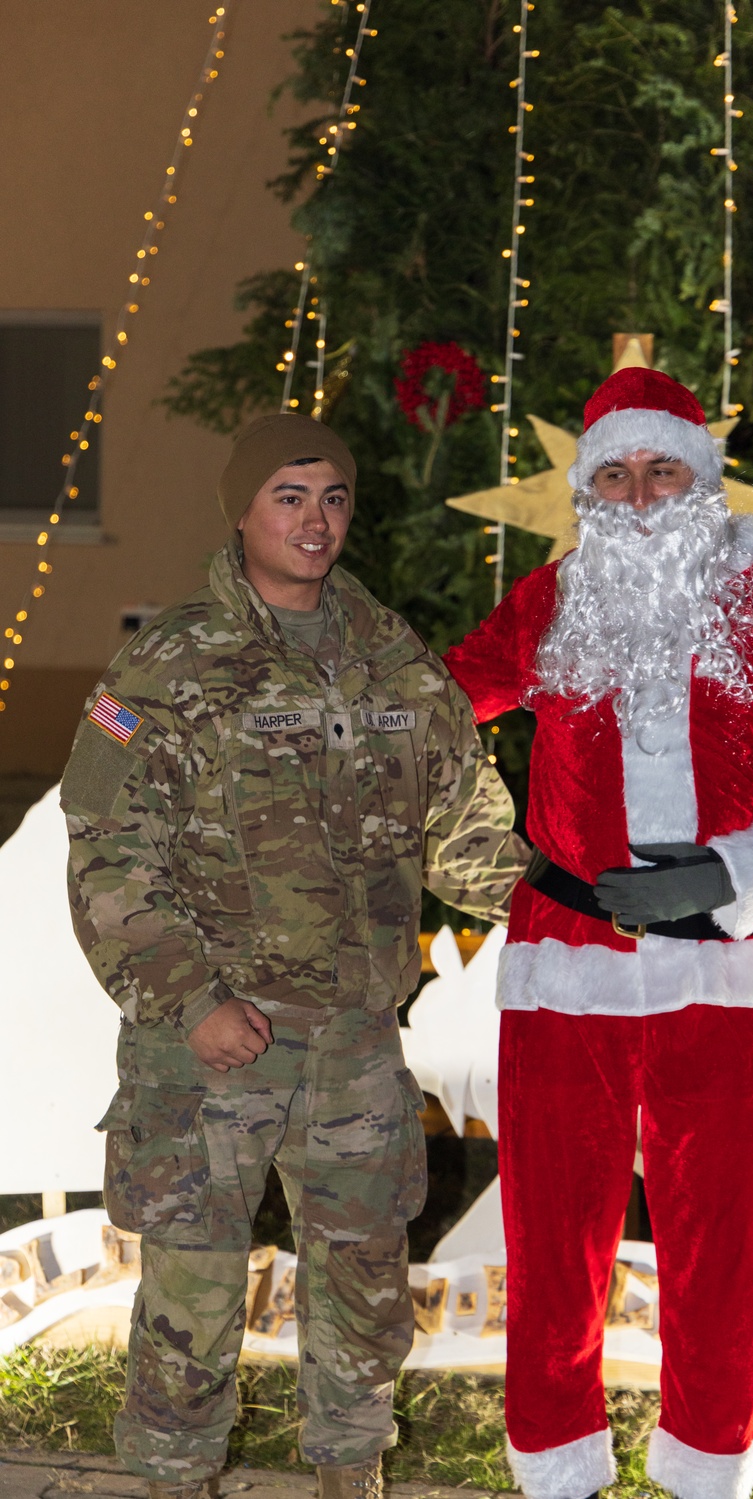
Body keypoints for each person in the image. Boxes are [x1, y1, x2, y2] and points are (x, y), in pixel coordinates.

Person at [62, 413, 527, 1499]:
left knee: (364, 1275)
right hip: (212, 1045)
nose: (314, 521)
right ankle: (176, 1478)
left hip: (356, 1042)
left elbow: (461, 824)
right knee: (194, 1286)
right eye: (288, 495)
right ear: (242, 507)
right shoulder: (170, 660)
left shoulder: (391, 653)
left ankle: (349, 1473)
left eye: (332, 499)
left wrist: (585, 902)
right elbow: (109, 853)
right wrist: (190, 1001)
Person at [443, 367, 753, 1499]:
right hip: (563, 972)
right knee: (551, 1245)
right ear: (587, 492)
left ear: (702, 478)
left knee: (716, 1246)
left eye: (660, 470)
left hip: (717, 973)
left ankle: (708, 1467)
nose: (637, 498)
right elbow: (440, 705)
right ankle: (554, 1466)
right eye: (615, 476)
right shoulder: (548, 604)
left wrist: (728, 876)